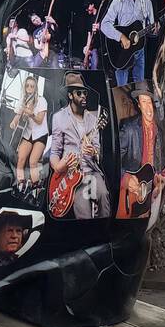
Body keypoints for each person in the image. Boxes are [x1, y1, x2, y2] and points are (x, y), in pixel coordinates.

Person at [49, 73, 111, 219]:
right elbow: (54, 152)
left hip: (91, 171)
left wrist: (93, 151)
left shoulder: (93, 119)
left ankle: (104, 232)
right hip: (70, 175)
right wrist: (58, 167)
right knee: (82, 209)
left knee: (103, 195)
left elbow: (98, 150)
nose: (83, 96)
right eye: (79, 93)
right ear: (70, 95)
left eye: (85, 93)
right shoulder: (59, 118)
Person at [117, 84, 165, 222]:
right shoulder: (129, 129)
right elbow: (113, 161)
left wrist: (163, 177)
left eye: (150, 102)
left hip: (151, 197)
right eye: (143, 102)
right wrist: (126, 178)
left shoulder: (160, 131)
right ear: (139, 105)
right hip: (130, 196)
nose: (148, 107)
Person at [101, 0, 156, 85]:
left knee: (140, 87)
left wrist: (155, 29)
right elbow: (104, 25)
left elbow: (151, 27)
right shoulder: (117, 2)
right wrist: (121, 37)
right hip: (123, 48)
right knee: (122, 90)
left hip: (139, 48)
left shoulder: (146, 1)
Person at [9, 74, 49, 190]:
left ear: (35, 88)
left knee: (32, 161)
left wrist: (31, 114)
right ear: (25, 87)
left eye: (32, 86)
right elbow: (18, 116)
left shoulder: (41, 100)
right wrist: (14, 122)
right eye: (28, 86)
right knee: (20, 159)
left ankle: (36, 187)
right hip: (28, 133)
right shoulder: (23, 100)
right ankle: (20, 184)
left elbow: (40, 121)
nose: (30, 88)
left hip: (40, 133)